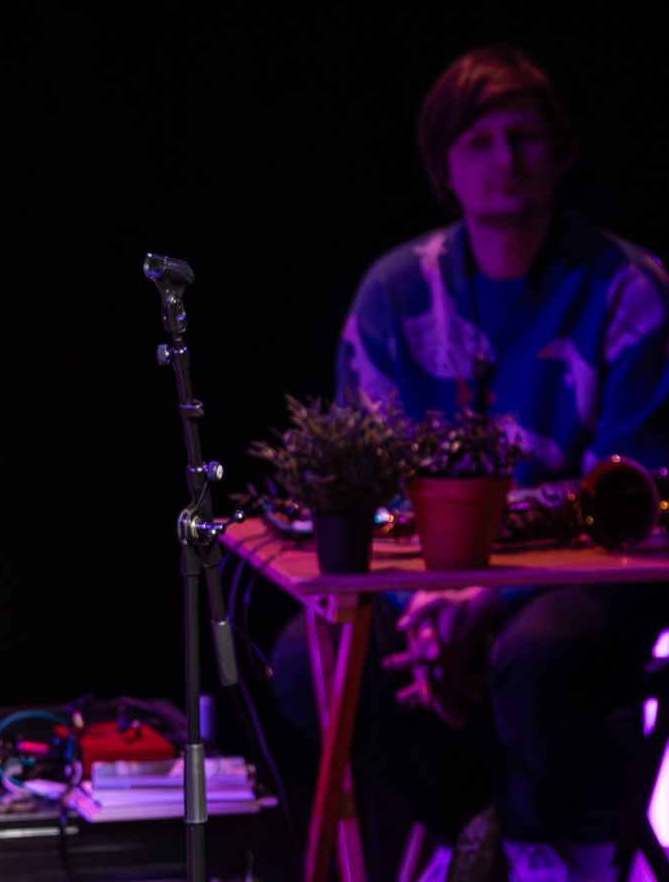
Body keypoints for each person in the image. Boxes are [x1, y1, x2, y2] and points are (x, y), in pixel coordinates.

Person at [271, 46, 669, 879]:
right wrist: (429, 609)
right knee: (309, 664)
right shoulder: (394, 293)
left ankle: (540, 853)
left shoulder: (629, 289)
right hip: (423, 585)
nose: (506, 160)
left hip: (587, 584)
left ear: (559, 153)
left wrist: (485, 600)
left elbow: (637, 503)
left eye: (524, 137)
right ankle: (465, 825)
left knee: (536, 658)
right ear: (443, 167)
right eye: (479, 142)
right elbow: (363, 493)